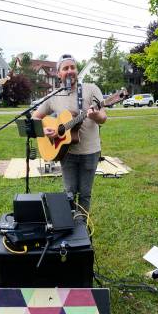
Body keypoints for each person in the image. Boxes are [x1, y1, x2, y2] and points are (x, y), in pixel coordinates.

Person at [32, 53, 107, 213]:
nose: (70, 70)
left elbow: (103, 118)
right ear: (59, 74)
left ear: (77, 71)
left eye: (72, 67)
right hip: (66, 152)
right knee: (69, 193)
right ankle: (71, 226)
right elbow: (35, 117)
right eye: (65, 68)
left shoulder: (91, 89)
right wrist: (45, 130)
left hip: (90, 151)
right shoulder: (54, 95)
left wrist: (95, 115)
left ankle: (83, 228)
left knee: (85, 194)